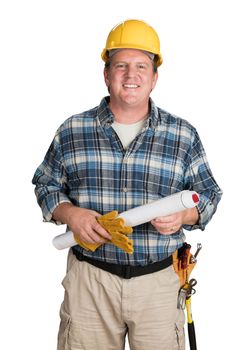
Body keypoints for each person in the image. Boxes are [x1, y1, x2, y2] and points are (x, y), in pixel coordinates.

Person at [32, 19, 222, 350]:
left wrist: (184, 217)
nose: (130, 75)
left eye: (141, 66)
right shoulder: (73, 130)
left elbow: (208, 197)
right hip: (90, 282)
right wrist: (71, 214)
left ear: (154, 77)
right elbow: (46, 185)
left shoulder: (182, 135)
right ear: (107, 74)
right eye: (121, 66)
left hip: (159, 285)